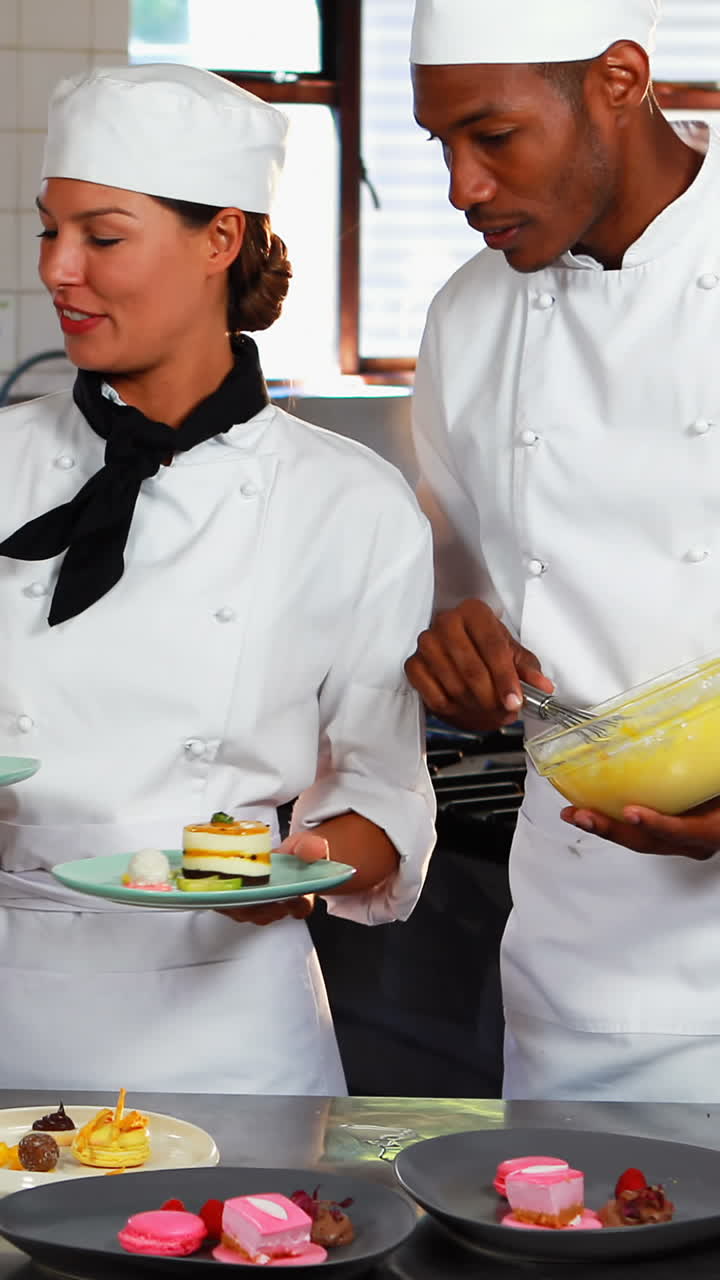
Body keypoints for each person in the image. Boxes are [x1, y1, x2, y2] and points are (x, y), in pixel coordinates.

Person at [0, 63, 436, 1094]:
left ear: (220, 239)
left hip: (235, 1038)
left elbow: (384, 797)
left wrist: (304, 863)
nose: (61, 269)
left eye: (102, 237)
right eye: (47, 231)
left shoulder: (351, 501)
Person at [405, 0, 720, 1101]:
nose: (461, 187)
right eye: (439, 145)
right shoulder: (465, 319)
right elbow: (456, 590)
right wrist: (450, 644)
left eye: (493, 136)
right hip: (571, 976)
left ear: (620, 80)